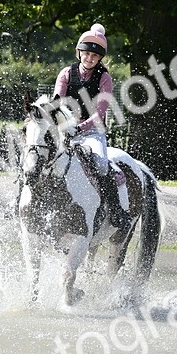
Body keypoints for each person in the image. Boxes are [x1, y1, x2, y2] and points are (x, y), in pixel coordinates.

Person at [54, 22, 131, 234]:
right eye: (86, 54)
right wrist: (66, 126)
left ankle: (116, 211)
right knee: (40, 156)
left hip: (92, 133)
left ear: (99, 59)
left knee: (101, 164)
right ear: (79, 52)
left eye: (94, 56)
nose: (90, 58)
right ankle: (19, 201)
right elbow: (58, 104)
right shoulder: (66, 74)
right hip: (64, 130)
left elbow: (100, 114)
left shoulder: (104, 78)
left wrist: (79, 129)